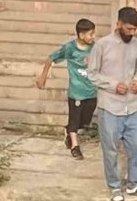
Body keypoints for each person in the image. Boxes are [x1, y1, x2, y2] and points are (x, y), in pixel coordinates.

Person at [87, 7, 137, 201]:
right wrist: (114, 85)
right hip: (110, 107)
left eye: (134, 30)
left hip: (132, 106)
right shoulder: (102, 45)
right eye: (129, 28)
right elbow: (92, 74)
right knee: (111, 150)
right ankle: (115, 186)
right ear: (118, 24)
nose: (132, 33)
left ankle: (134, 184)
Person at [35, 18, 97, 160]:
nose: (92, 37)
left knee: (85, 121)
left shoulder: (95, 47)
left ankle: (68, 130)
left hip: (92, 91)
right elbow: (51, 58)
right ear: (81, 35)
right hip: (76, 92)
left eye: (93, 34)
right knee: (75, 120)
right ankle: (75, 146)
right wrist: (43, 77)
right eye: (90, 34)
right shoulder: (70, 48)